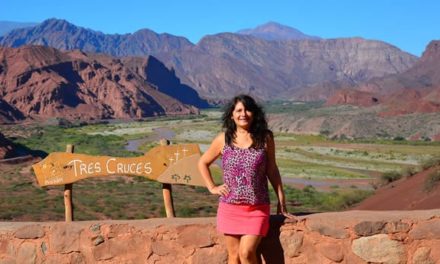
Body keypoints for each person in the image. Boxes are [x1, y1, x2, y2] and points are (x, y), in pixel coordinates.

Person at [198, 94, 294, 264]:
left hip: (257, 208)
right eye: (239, 110)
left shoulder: (265, 138)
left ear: (255, 113)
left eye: (248, 109)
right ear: (231, 115)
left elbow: (272, 170)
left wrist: (281, 199)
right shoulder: (223, 139)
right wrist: (212, 187)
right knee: (234, 256)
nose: (243, 114)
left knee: (247, 253)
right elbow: (202, 163)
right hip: (230, 207)